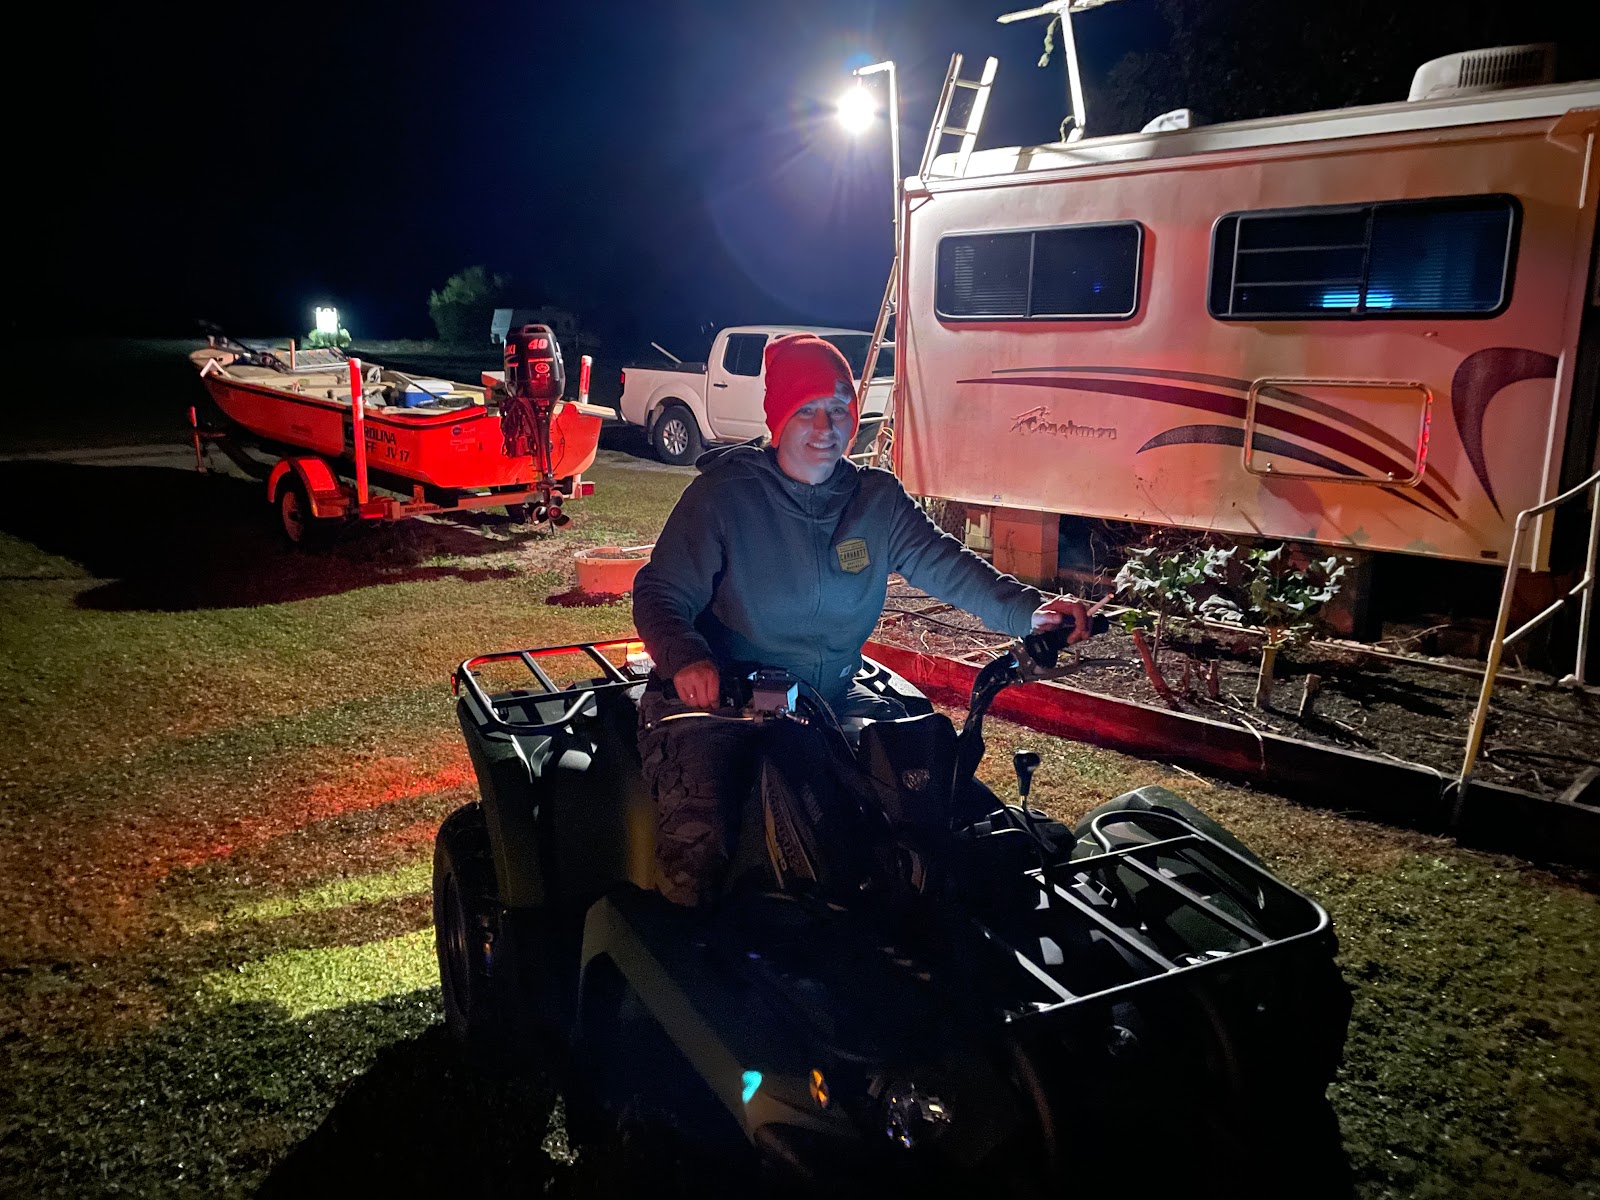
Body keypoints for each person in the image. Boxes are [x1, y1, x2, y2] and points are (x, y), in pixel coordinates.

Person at [632, 332, 1089, 906]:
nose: (826, 427)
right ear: (778, 418)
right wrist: (686, 656)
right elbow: (659, 591)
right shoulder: (726, 496)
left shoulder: (875, 499)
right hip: (732, 697)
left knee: (925, 797)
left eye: (839, 409)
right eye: (807, 410)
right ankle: (686, 965)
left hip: (830, 698)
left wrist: (1031, 610)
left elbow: (947, 566)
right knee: (703, 844)